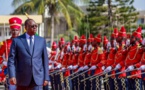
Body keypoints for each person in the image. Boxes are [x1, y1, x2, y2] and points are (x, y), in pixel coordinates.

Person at [8, 19, 49, 90]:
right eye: (32, 26)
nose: (35, 27)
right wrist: (12, 76)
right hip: (22, 79)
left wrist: (46, 77)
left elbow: (45, 60)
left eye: (36, 26)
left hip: (37, 79)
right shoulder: (17, 41)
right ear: (26, 27)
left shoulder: (41, 40)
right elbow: (11, 60)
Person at [0, 17, 22, 90]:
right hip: (9, 70)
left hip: (21, 70)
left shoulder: (23, 42)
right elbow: (0, 55)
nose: (14, 32)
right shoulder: (5, 43)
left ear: (19, 30)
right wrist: (3, 62)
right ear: (10, 30)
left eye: (16, 30)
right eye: (13, 30)